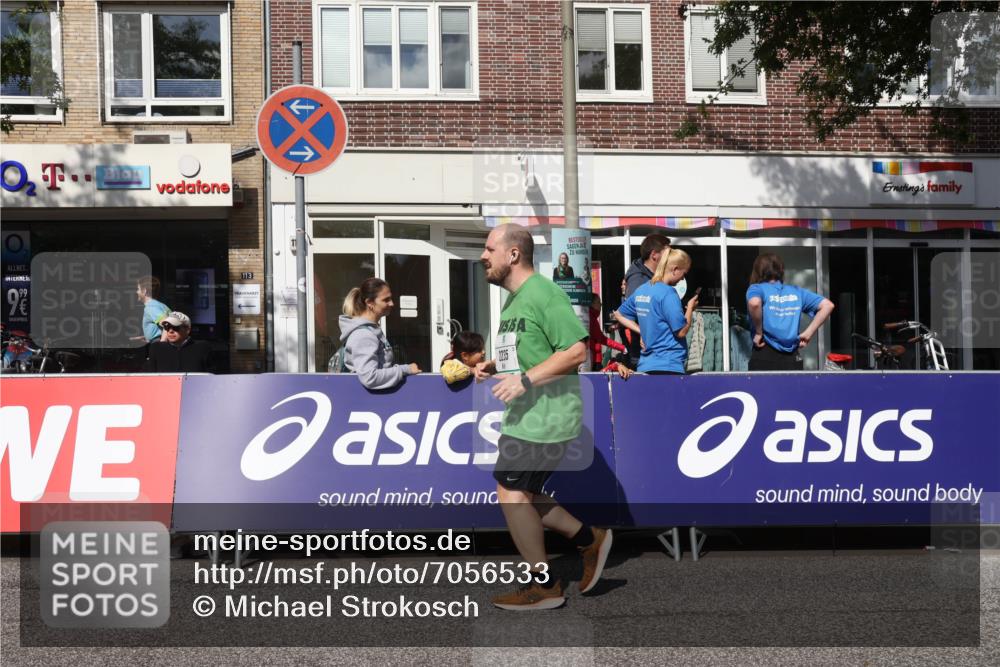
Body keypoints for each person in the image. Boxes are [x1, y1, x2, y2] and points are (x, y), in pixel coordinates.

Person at [476, 225, 612, 611]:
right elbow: (527, 353)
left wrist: (524, 380)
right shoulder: (513, 300)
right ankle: (591, 539)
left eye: (489, 249)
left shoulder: (545, 293)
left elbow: (575, 352)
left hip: (548, 416)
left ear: (513, 255)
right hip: (525, 416)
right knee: (522, 493)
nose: (483, 256)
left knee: (512, 492)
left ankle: (545, 585)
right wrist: (493, 365)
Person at [614, 248, 699, 375]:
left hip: (646, 365)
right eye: (684, 274)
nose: (682, 280)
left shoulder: (643, 289)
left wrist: (641, 330)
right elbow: (681, 331)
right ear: (675, 269)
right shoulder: (668, 293)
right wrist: (690, 309)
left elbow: (619, 314)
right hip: (669, 366)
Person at [746, 253, 835, 371]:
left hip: (764, 352)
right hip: (792, 357)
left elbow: (754, 303)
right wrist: (808, 333)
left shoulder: (757, 288)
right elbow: (828, 305)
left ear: (757, 271)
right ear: (781, 271)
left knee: (761, 390)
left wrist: (758, 332)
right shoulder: (796, 292)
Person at [338, 277, 420, 389]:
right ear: (369, 303)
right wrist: (405, 369)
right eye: (386, 300)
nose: (392, 303)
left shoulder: (372, 330)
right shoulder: (363, 335)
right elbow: (370, 377)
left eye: (390, 298)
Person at [623, 234, 670, 366]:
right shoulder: (638, 280)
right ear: (654, 255)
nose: (670, 257)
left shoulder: (654, 277)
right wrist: (642, 331)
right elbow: (627, 314)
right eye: (667, 253)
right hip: (644, 355)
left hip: (657, 351)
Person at [142, 312, 212, 372]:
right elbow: (150, 376)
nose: (170, 331)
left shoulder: (202, 347)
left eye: (175, 327)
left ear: (187, 329)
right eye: (167, 327)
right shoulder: (156, 348)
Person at [588, 293, 626, 371]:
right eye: (599, 302)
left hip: (594, 358)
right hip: (594, 360)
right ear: (592, 304)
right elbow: (602, 339)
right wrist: (622, 347)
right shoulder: (591, 319)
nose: (601, 305)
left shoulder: (592, 317)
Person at [132, 275, 170, 345]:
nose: (137, 292)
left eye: (138, 289)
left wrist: (162, 344)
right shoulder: (161, 305)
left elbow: (167, 324)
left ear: (144, 291)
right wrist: (147, 337)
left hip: (158, 344)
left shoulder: (151, 307)